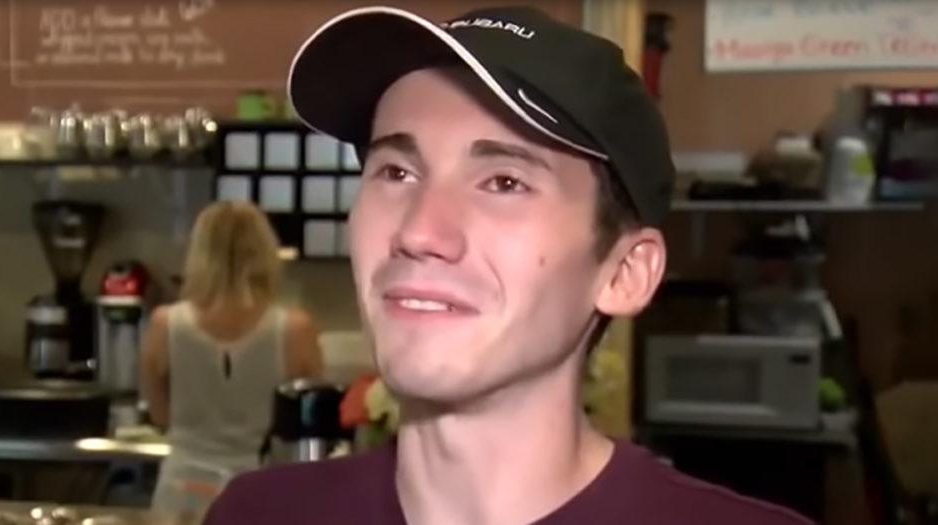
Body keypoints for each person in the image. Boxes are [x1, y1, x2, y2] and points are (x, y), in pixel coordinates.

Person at [203, 6, 812, 525]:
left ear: (625, 272)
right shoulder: (258, 515)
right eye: (396, 172)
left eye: (503, 182)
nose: (418, 231)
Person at [140, 200, 323, 514]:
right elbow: (310, 422)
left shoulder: (164, 325)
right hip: (262, 489)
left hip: (184, 489)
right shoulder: (295, 330)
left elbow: (159, 415)